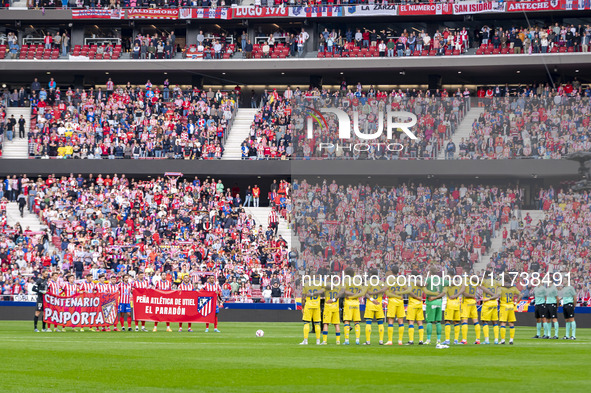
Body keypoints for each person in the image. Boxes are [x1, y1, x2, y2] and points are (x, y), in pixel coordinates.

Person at [385, 267, 410, 346]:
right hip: (400, 302)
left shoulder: (390, 280)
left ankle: (390, 340)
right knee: (400, 320)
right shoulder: (401, 280)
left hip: (392, 301)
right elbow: (408, 290)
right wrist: (400, 292)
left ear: (392, 272)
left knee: (391, 320)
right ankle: (400, 341)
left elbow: (386, 292)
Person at [362, 269, 386, 345]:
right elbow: (384, 291)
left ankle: (368, 341)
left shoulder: (368, 283)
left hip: (370, 304)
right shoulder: (381, 283)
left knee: (368, 323)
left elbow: (365, 293)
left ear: (371, 274)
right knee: (380, 323)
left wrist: (372, 299)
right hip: (378, 304)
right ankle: (381, 341)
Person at [342, 267, 365, 345]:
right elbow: (363, 291)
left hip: (348, 302)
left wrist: (351, 295)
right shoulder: (357, 281)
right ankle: (357, 340)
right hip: (356, 302)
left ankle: (347, 340)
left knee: (347, 321)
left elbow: (343, 290)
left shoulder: (345, 280)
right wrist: (356, 295)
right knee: (357, 322)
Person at [424, 267, 445, 345]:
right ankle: (438, 340)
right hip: (439, 302)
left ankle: (428, 340)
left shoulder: (429, 279)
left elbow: (424, 286)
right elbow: (444, 292)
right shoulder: (441, 280)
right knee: (438, 322)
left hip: (431, 302)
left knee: (429, 321)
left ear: (430, 272)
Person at [299, 276, 323, 345]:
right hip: (317, 305)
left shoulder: (306, 284)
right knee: (317, 324)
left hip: (309, 305)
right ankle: (318, 341)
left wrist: (302, 307)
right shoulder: (319, 284)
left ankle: (305, 341)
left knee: (306, 323)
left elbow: (303, 297)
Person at [480, 275, 501, 344]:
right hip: (494, 303)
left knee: (485, 321)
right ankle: (496, 340)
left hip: (487, 302)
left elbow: (478, 284)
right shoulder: (496, 282)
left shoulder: (484, 281)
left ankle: (487, 340)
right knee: (494, 322)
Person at [460, 277, 481, 345]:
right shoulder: (474, 283)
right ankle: (478, 339)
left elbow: (464, 293)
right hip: (473, 302)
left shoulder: (465, 281)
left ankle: (464, 340)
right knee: (475, 321)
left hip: (466, 302)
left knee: (464, 321)